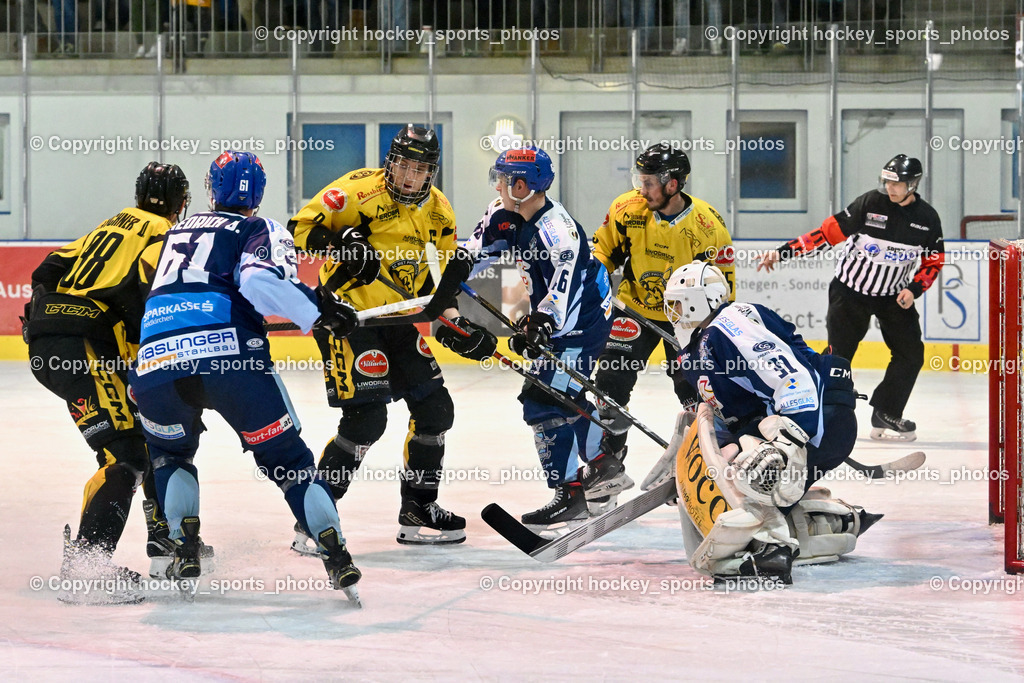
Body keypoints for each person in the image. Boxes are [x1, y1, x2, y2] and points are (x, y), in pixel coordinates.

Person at [130, 151, 362, 594]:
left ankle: (183, 548)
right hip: (232, 361)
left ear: (210, 189)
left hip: (157, 362)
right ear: (259, 193)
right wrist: (320, 311)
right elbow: (259, 282)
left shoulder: (176, 230)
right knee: (290, 462)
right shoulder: (259, 227)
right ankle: (335, 552)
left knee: (170, 455)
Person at [288, 124, 470, 546]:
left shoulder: (440, 210)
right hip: (348, 319)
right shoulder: (357, 191)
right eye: (404, 165)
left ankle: (418, 508)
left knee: (436, 410)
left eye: (421, 169)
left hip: (399, 321)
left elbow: (439, 286)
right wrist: (343, 243)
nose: (411, 176)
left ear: (432, 173)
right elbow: (298, 228)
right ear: (390, 163)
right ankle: (313, 521)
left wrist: (455, 320)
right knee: (366, 420)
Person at [25, 162, 188, 603]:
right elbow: (154, 296)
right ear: (181, 203)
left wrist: (41, 317)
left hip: (50, 343)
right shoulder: (163, 234)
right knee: (129, 453)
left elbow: (46, 270)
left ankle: (158, 540)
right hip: (88, 346)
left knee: (137, 437)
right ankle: (88, 566)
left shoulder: (112, 223)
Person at [657, 260, 877, 582]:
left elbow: (793, 376)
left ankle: (771, 552)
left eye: (678, 302)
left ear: (698, 299)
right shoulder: (698, 347)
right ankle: (826, 521)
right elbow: (731, 416)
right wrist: (695, 463)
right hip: (792, 424)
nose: (673, 310)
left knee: (752, 487)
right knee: (746, 480)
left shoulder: (728, 323)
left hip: (817, 418)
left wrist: (788, 443)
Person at [437, 146, 616, 530]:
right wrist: (457, 267)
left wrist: (541, 326)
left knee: (541, 401)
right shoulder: (502, 211)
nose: (496, 185)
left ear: (521, 186)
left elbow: (562, 298)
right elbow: (476, 246)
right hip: (564, 316)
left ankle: (570, 496)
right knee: (559, 394)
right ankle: (605, 463)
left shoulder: (559, 233)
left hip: (582, 321)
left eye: (502, 179)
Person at [757, 154, 943, 441]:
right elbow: (825, 234)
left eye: (897, 183)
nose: (890, 188)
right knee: (838, 358)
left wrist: (914, 289)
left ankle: (886, 411)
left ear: (913, 184)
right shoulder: (870, 204)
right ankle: (816, 412)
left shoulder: (927, 219)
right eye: (887, 181)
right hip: (850, 292)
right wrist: (783, 252)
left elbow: (934, 260)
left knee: (911, 354)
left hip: (893, 296)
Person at [592, 143, 733, 490]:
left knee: (695, 392)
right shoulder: (627, 208)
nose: (643, 189)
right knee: (610, 385)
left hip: (685, 319)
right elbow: (602, 252)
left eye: (650, 182)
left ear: (673, 184)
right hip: (635, 308)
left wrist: (709, 337)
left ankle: (702, 463)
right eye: (641, 180)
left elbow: (721, 288)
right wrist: (592, 289)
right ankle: (608, 468)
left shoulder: (707, 226)